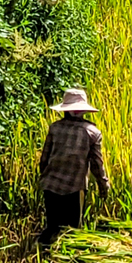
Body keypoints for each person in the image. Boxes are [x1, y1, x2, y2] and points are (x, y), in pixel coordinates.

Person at [38, 88, 111, 246]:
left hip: (51, 185)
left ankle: (43, 253)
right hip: (74, 187)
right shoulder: (92, 132)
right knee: (72, 231)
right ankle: (67, 261)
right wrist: (103, 185)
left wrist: (45, 177)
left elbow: (44, 160)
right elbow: (97, 164)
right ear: (83, 111)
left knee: (52, 226)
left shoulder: (55, 128)